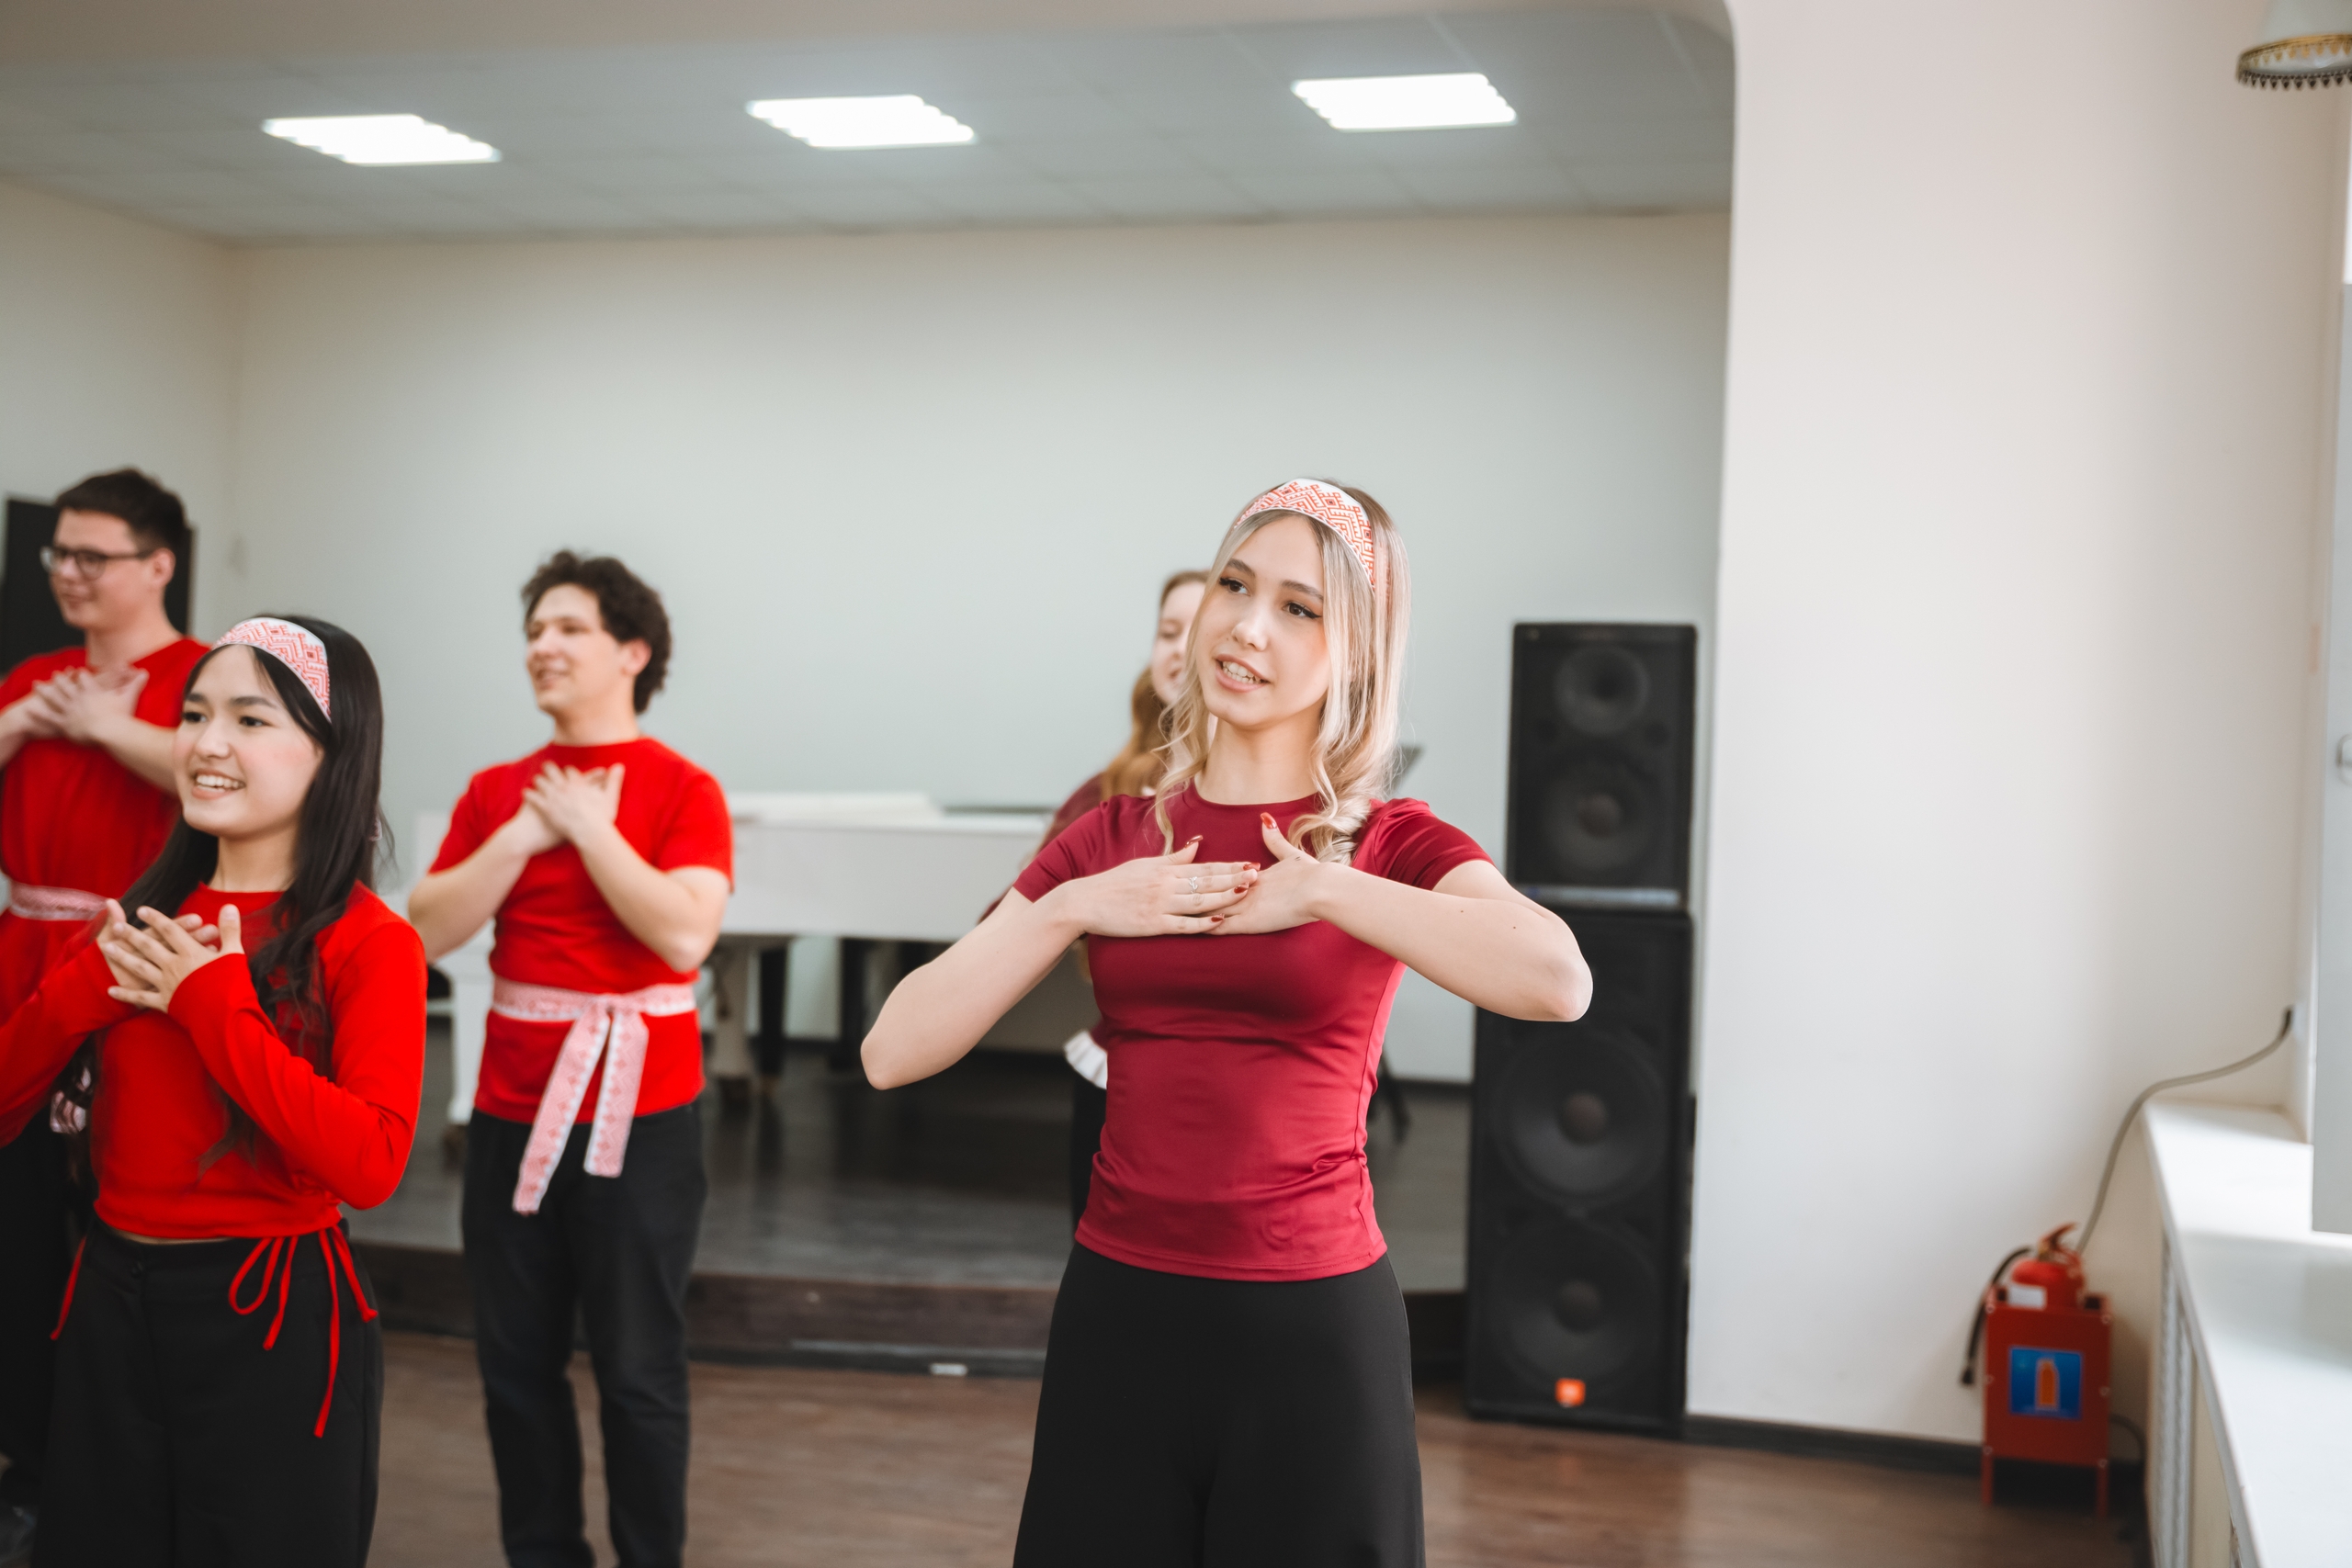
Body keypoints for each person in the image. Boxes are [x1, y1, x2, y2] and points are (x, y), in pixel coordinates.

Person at [865, 479, 1592, 1565]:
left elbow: (1556, 979)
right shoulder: (1111, 837)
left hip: (1311, 1327)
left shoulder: (1386, 841)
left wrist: (1327, 888)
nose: (1248, 627)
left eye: (1299, 608)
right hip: (1119, 1311)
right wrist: (1071, 907)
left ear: (1355, 653)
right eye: (1234, 586)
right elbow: (891, 1050)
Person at [0, 615, 422, 1567]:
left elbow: (371, 1164)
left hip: (270, 1318)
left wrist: (215, 1010)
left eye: (250, 719)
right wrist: (75, 997)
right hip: (108, 1304)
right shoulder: (134, 925)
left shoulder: (368, 941)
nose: (207, 743)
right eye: (193, 715)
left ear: (333, 753)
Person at [408, 552, 729, 1568]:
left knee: (638, 1368)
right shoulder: (497, 793)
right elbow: (423, 932)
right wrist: (520, 837)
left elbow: (684, 935)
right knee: (513, 1365)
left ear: (632, 652)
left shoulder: (683, 788)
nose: (542, 646)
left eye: (569, 628)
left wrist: (592, 829)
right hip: (509, 1113)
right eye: (534, 630)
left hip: (644, 1121)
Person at [0, 468, 209, 1564]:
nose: (69, 575)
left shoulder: (202, 678)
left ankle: (131, 1476)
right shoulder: (34, 681)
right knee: (20, 1233)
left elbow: (232, 780)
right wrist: (19, 724)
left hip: (133, 965)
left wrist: (111, 728)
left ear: (158, 564)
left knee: (119, 1234)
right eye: (60, 556)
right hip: (22, 958)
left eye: (94, 556)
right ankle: (32, 1468)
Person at [1028, 570, 1204, 1223]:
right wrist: (1082, 904)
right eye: (1168, 632)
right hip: (1120, 1076)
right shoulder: (1107, 795)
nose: (1181, 649)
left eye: (1199, 630)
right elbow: (1010, 923)